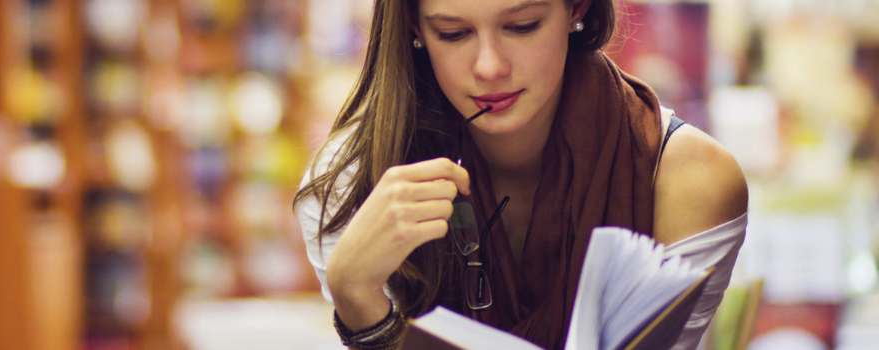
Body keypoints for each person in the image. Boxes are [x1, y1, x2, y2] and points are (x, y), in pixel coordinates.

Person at [292, 0, 749, 348]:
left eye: (522, 26)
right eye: (452, 33)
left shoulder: (689, 179)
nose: (489, 67)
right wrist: (356, 297)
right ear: (415, 28)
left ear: (577, 8)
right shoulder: (349, 183)